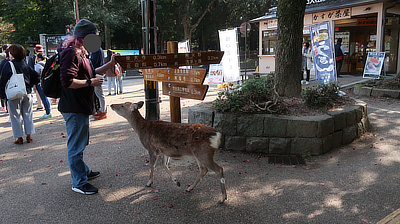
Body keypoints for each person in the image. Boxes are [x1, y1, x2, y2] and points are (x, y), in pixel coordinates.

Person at [58, 19, 116, 195]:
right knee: (76, 145)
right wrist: (90, 82)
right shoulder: (72, 53)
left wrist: (111, 63)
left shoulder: (81, 52)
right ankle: (79, 182)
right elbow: (67, 82)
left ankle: (83, 171)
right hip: (73, 107)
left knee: (80, 142)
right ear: (85, 37)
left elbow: (93, 71)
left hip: (80, 105)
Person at [0, 44, 40, 144]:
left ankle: (19, 137)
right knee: (27, 114)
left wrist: (3, 95)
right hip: (27, 93)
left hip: (14, 94)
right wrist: (30, 85)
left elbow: (3, 80)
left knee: (15, 116)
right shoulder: (25, 64)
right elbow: (36, 77)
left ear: (12, 53)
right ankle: (29, 135)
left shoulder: (8, 64)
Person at [90, 48, 107, 120]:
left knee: (99, 94)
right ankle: (101, 110)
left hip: (97, 74)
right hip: (98, 73)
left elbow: (94, 62)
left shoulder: (96, 50)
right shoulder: (98, 50)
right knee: (98, 94)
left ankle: (103, 111)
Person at [34, 52, 52, 118]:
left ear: (38, 58)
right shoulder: (46, 64)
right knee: (46, 97)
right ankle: (49, 111)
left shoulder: (38, 65)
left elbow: (36, 75)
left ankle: (48, 112)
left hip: (40, 83)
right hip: (47, 82)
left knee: (43, 98)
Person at [28, 44, 45, 110]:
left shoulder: (32, 58)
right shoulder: (45, 57)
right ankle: (45, 104)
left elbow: (30, 68)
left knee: (38, 91)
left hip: (37, 78)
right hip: (45, 77)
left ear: (35, 51)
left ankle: (40, 105)